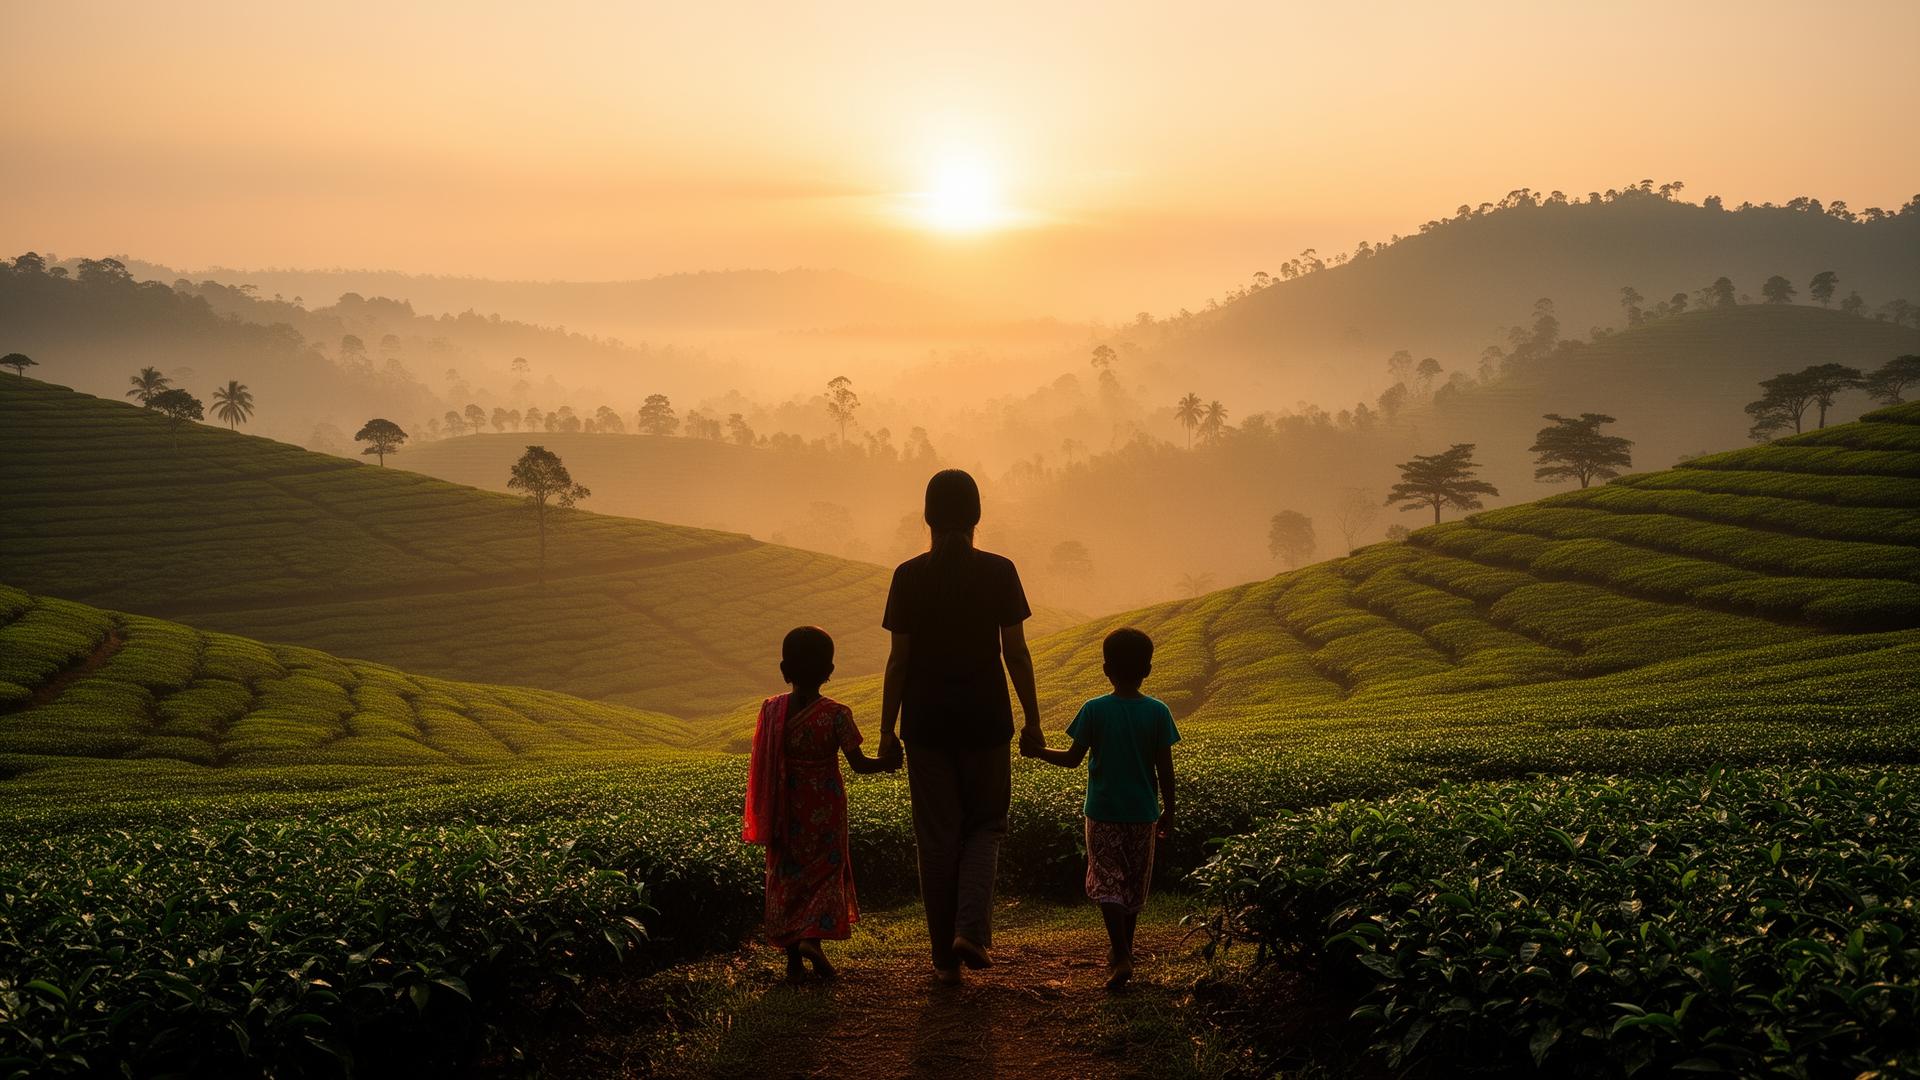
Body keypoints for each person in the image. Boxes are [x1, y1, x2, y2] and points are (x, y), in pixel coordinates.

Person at [879, 469, 1042, 985]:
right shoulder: (999, 571)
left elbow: (899, 662)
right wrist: (1033, 719)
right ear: (976, 516)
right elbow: (1015, 652)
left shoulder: (908, 576)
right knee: (985, 826)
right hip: (986, 720)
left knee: (936, 838)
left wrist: (886, 730)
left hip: (925, 724)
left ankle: (943, 960)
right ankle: (970, 930)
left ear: (927, 517)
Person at [1023, 627, 1178, 990]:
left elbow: (1072, 759)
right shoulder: (1158, 712)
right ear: (1148, 669)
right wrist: (1169, 809)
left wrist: (1037, 751)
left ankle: (1120, 954)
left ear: (1106, 669)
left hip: (1103, 812)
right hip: (1143, 813)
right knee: (1133, 883)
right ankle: (1125, 950)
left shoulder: (1094, 709)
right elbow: (1165, 769)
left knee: (1108, 880)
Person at [742, 625, 898, 981]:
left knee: (787, 878)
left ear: (784, 669)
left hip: (785, 809)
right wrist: (889, 762)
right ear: (830, 670)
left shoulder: (771, 710)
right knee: (825, 873)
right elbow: (859, 764)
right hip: (825, 807)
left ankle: (794, 963)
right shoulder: (837, 714)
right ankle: (813, 939)